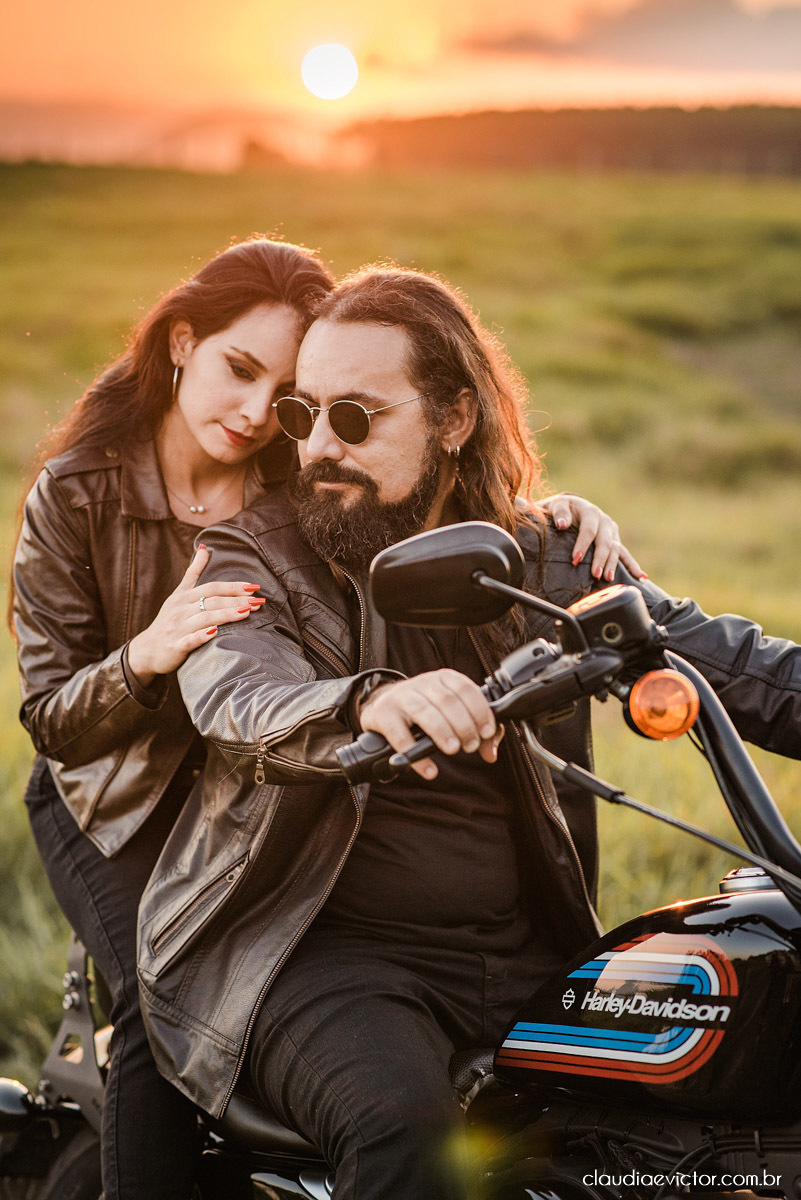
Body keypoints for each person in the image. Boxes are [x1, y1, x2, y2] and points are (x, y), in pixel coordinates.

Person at [137, 264, 801, 1198]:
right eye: (304, 415)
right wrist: (362, 702)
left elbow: (740, 668)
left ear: (453, 420)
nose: (319, 447)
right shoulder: (250, 556)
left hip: (520, 950)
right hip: (315, 960)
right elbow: (242, 696)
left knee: (697, 1119)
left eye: (356, 419)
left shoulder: (537, 560)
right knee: (408, 1140)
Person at [11, 241, 630, 1200]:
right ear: (182, 344)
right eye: (239, 372)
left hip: (256, 780)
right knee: (159, 992)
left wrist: (551, 519)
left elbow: (412, 488)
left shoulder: (295, 471)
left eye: (289, 393)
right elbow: (55, 720)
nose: (263, 416)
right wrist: (149, 654)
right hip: (117, 786)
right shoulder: (80, 490)